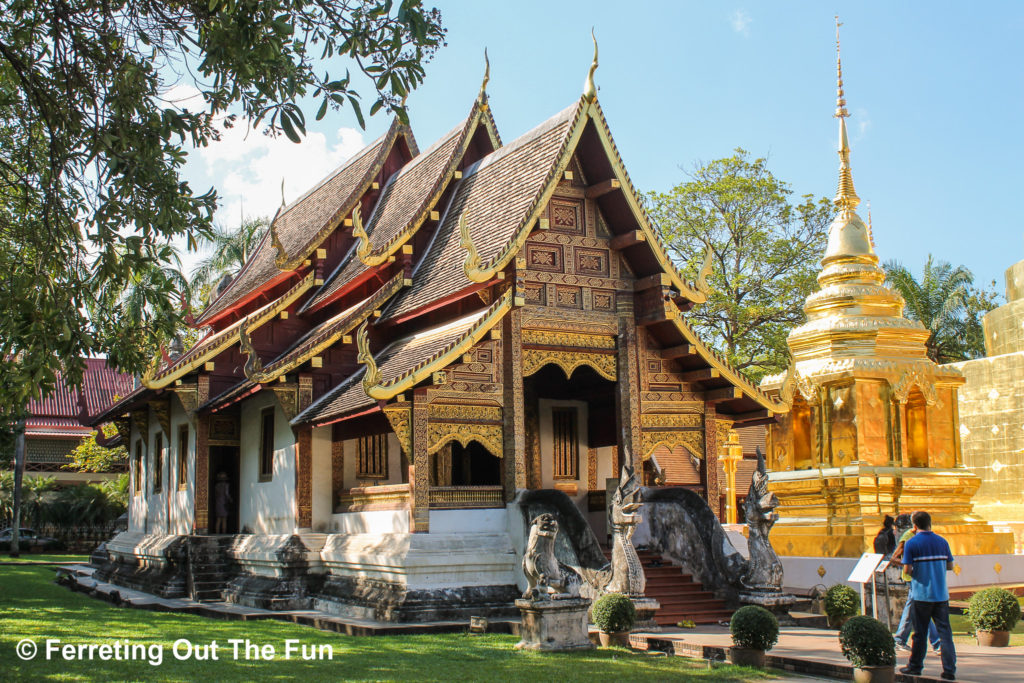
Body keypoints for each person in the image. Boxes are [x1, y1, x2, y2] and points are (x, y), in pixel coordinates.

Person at [900, 510, 956, 681]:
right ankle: (949, 670)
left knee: (920, 633)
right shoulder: (942, 541)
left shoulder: (912, 543)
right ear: (930, 523)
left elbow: (907, 570)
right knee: (945, 633)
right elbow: (950, 566)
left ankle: (915, 666)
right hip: (941, 594)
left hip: (922, 594)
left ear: (914, 526)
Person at [890, 513, 941, 652]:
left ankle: (900, 639)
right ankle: (936, 642)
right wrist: (911, 565)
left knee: (916, 609)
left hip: (921, 578)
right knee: (924, 609)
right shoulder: (908, 537)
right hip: (912, 578)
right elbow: (894, 558)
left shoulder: (925, 537)